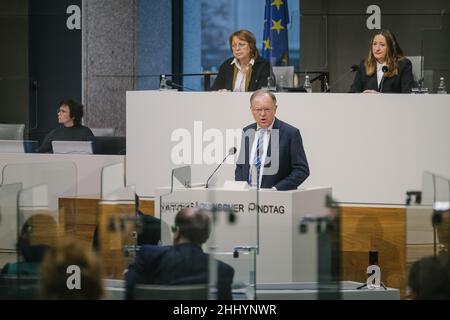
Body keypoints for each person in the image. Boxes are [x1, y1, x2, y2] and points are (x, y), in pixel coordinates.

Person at [125, 208, 235, 300]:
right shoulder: (222, 270)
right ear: (206, 237)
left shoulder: (147, 256)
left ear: (177, 232)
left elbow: (129, 291)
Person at [235, 89, 309, 190]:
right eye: (258, 110)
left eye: (267, 109)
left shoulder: (290, 133)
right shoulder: (247, 131)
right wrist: (241, 189)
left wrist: (276, 189)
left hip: (277, 200)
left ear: (275, 109)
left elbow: (301, 170)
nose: (262, 114)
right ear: (251, 110)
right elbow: (240, 167)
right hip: (247, 199)